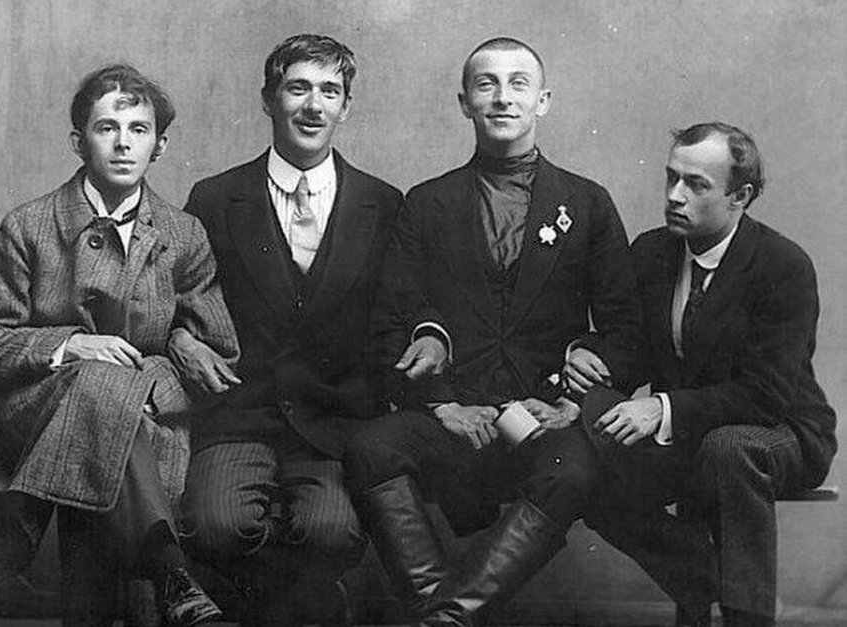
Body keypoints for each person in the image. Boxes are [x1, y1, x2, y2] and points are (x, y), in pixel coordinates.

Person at [344, 37, 643, 626]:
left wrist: (572, 398)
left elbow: (628, 330)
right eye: (486, 84)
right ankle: (441, 608)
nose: (502, 97)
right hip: (459, 420)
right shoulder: (426, 203)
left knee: (573, 472)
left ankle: (448, 617)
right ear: (465, 103)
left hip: (544, 419)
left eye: (518, 84)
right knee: (370, 448)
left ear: (543, 101)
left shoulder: (587, 203)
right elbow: (389, 325)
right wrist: (442, 405)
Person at [0, 64, 240, 626]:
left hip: (145, 415)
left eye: (138, 129)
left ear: (160, 146)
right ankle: (170, 573)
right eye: (107, 128)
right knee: (98, 387)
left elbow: (219, 355)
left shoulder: (183, 234)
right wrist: (71, 347)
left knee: (107, 421)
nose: (123, 143)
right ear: (78, 142)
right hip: (33, 408)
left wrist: (154, 377)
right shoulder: (29, 225)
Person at [171, 34, 407, 625]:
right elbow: (170, 297)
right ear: (268, 99)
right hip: (240, 413)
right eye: (298, 88)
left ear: (346, 106)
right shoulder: (215, 198)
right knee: (215, 526)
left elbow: (401, 313)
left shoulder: (383, 203)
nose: (313, 106)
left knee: (332, 532)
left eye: (330, 91)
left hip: (335, 423)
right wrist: (180, 338)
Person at [583, 122, 837, 627]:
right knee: (583, 466)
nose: (675, 196)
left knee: (728, 447)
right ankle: (708, 579)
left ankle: (746, 616)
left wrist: (662, 408)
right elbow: (634, 350)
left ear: (740, 196)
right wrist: (588, 357)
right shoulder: (652, 252)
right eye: (671, 177)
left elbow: (765, 395)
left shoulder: (782, 265)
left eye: (696, 184)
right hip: (690, 432)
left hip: (781, 432)